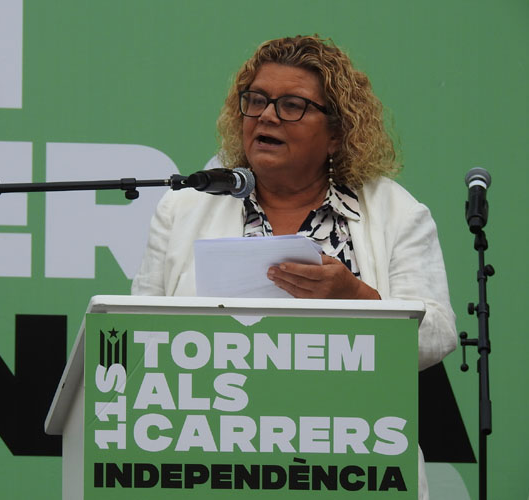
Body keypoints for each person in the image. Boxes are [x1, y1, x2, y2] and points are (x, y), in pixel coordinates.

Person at [132, 35, 457, 498]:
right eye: (257, 100)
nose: (266, 116)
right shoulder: (184, 209)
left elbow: (438, 334)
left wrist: (358, 299)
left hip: (351, 464)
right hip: (214, 460)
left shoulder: (396, 212)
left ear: (336, 133)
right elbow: (138, 331)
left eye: (292, 106)